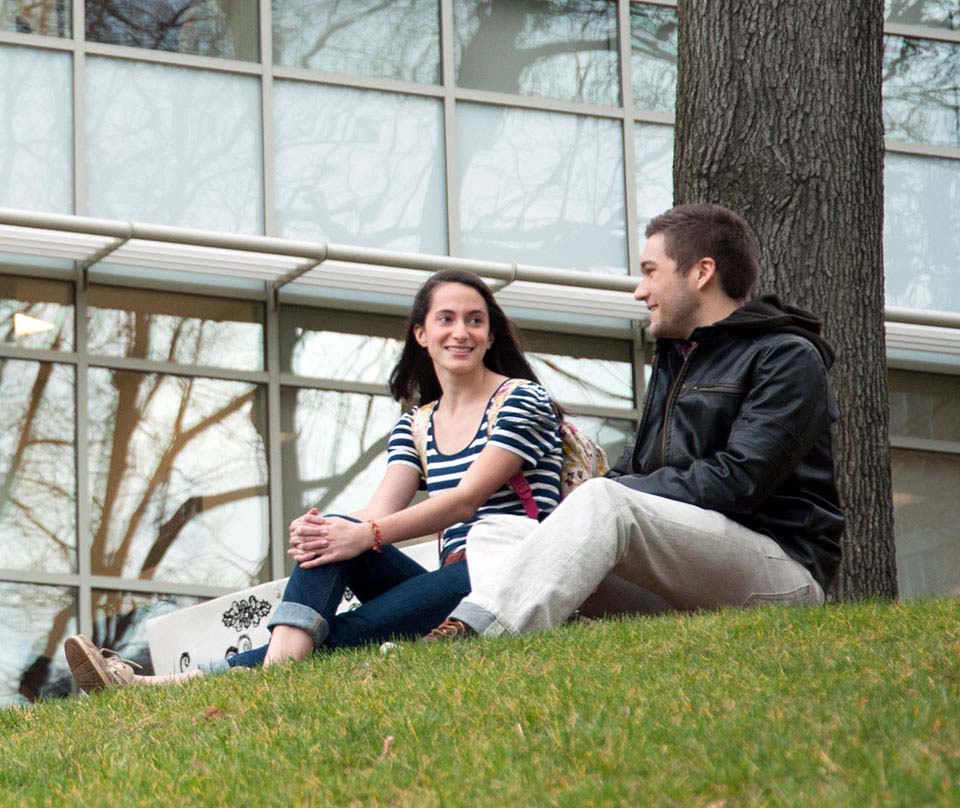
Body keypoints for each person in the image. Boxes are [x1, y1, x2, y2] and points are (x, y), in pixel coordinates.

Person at [65, 269, 564, 692]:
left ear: (491, 335)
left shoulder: (521, 400)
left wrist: (363, 534)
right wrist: (327, 531)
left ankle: (184, 684)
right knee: (332, 539)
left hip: (508, 569)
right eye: (447, 319)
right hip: (451, 579)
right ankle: (231, 678)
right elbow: (379, 511)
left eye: (475, 321)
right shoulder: (417, 422)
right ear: (421, 334)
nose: (462, 332)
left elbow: (464, 501)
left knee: (353, 625)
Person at [424, 203, 845, 641]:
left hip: (780, 572)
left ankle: (479, 638)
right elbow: (633, 473)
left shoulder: (787, 356)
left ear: (701, 273)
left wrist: (607, 494)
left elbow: (738, 481)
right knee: (500, 528)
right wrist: (596, 501)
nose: (640, 292)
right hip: (684, 582)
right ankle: (539, 641)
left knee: (605, 498)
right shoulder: (676, 360)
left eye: (650, 271)